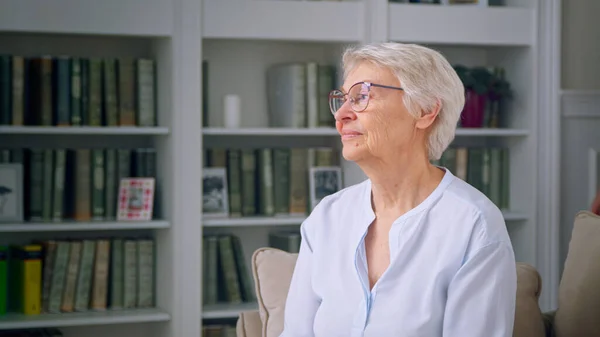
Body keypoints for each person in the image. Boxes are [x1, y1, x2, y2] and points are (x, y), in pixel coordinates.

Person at [279, 42, 517, 337]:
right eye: (342, 98)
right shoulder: (327, 217)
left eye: (362, 96)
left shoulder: (474, 225)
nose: (341, 114)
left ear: (425, 111)